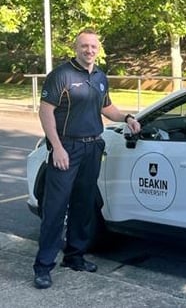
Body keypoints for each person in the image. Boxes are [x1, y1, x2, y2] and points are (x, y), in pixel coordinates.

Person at [33, 28, 141, 289]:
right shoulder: (61, 75)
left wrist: (126, 118)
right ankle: (43, 267)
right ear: (75, 48)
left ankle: (74, 257)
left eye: (93, 46)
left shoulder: (100, 77)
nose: (89, 50)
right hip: (66, 149)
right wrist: (56, 147)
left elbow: (106, 107)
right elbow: (45, 112)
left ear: (99, 49)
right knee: (55, 209)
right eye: (84, 46)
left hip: (93, 148)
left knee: (83, 206)